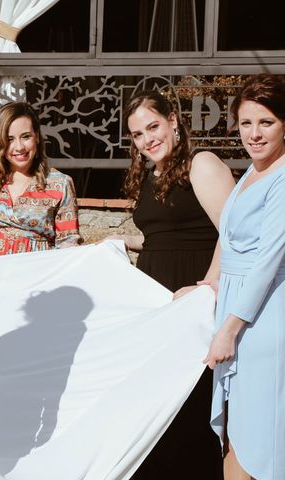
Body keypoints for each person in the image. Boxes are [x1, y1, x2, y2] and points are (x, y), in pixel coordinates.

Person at [114, 90, 235, 480]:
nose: (147, 139)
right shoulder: (151, 173)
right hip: (159, 306)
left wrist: (209, 287)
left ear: (173, 121)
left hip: (194, 300)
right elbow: (163, 236)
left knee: (189, 404)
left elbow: (234, 233)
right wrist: (121, 244)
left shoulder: (201, 163)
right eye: (137, 134)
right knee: (157, 404)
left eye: (153, 127)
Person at [204, 74, 285, 480]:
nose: (253, 134)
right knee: (237, 436)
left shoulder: (284, 179)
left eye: (266, 122)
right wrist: (210, 286)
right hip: (238, 313)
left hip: (263, 317)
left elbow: (266, 261)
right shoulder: (251, 173)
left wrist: (229, 330)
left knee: (260, 439)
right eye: (246, 123)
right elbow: (234, 247)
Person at [0, 102, 81, 257]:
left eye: (26, 136)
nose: (19, 147)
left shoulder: (59, 184)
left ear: (37, 137)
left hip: (36, 276)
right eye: (9, 139)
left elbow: (68, 244)